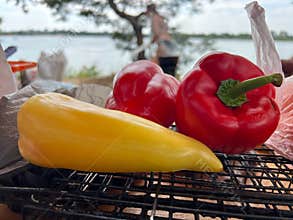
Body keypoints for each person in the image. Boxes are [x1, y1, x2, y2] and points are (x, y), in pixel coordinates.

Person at [146, 4, 178, 75]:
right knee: (171, 73)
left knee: (162, 71)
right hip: (172, 48)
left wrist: (151, 42)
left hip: (164, 46)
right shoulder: (161, 18)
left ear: (149, 11)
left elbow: (157, 33)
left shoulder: (154, 18)